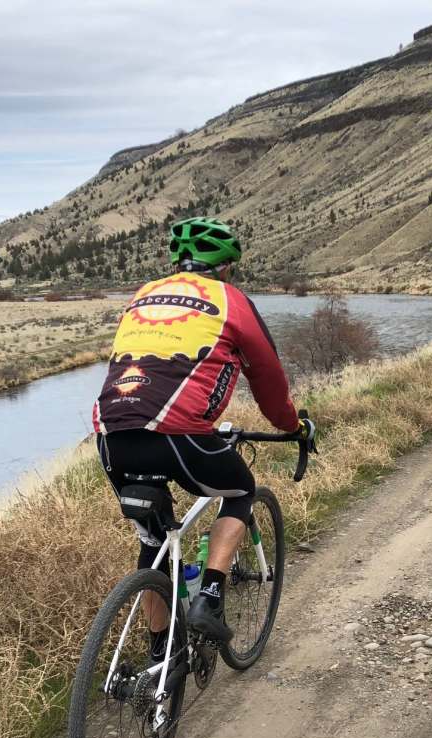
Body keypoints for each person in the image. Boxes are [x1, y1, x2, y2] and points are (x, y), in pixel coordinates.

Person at [92, 217, 312, 657]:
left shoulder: (143, 295)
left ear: (177, 263)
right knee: (239, 489)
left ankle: (161, 657)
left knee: (153, 543)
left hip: (110, 434)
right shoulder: (231, 301)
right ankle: (209, 598)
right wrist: (292, 427)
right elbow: (268, 379)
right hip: (179, 433)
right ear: (227, 267)